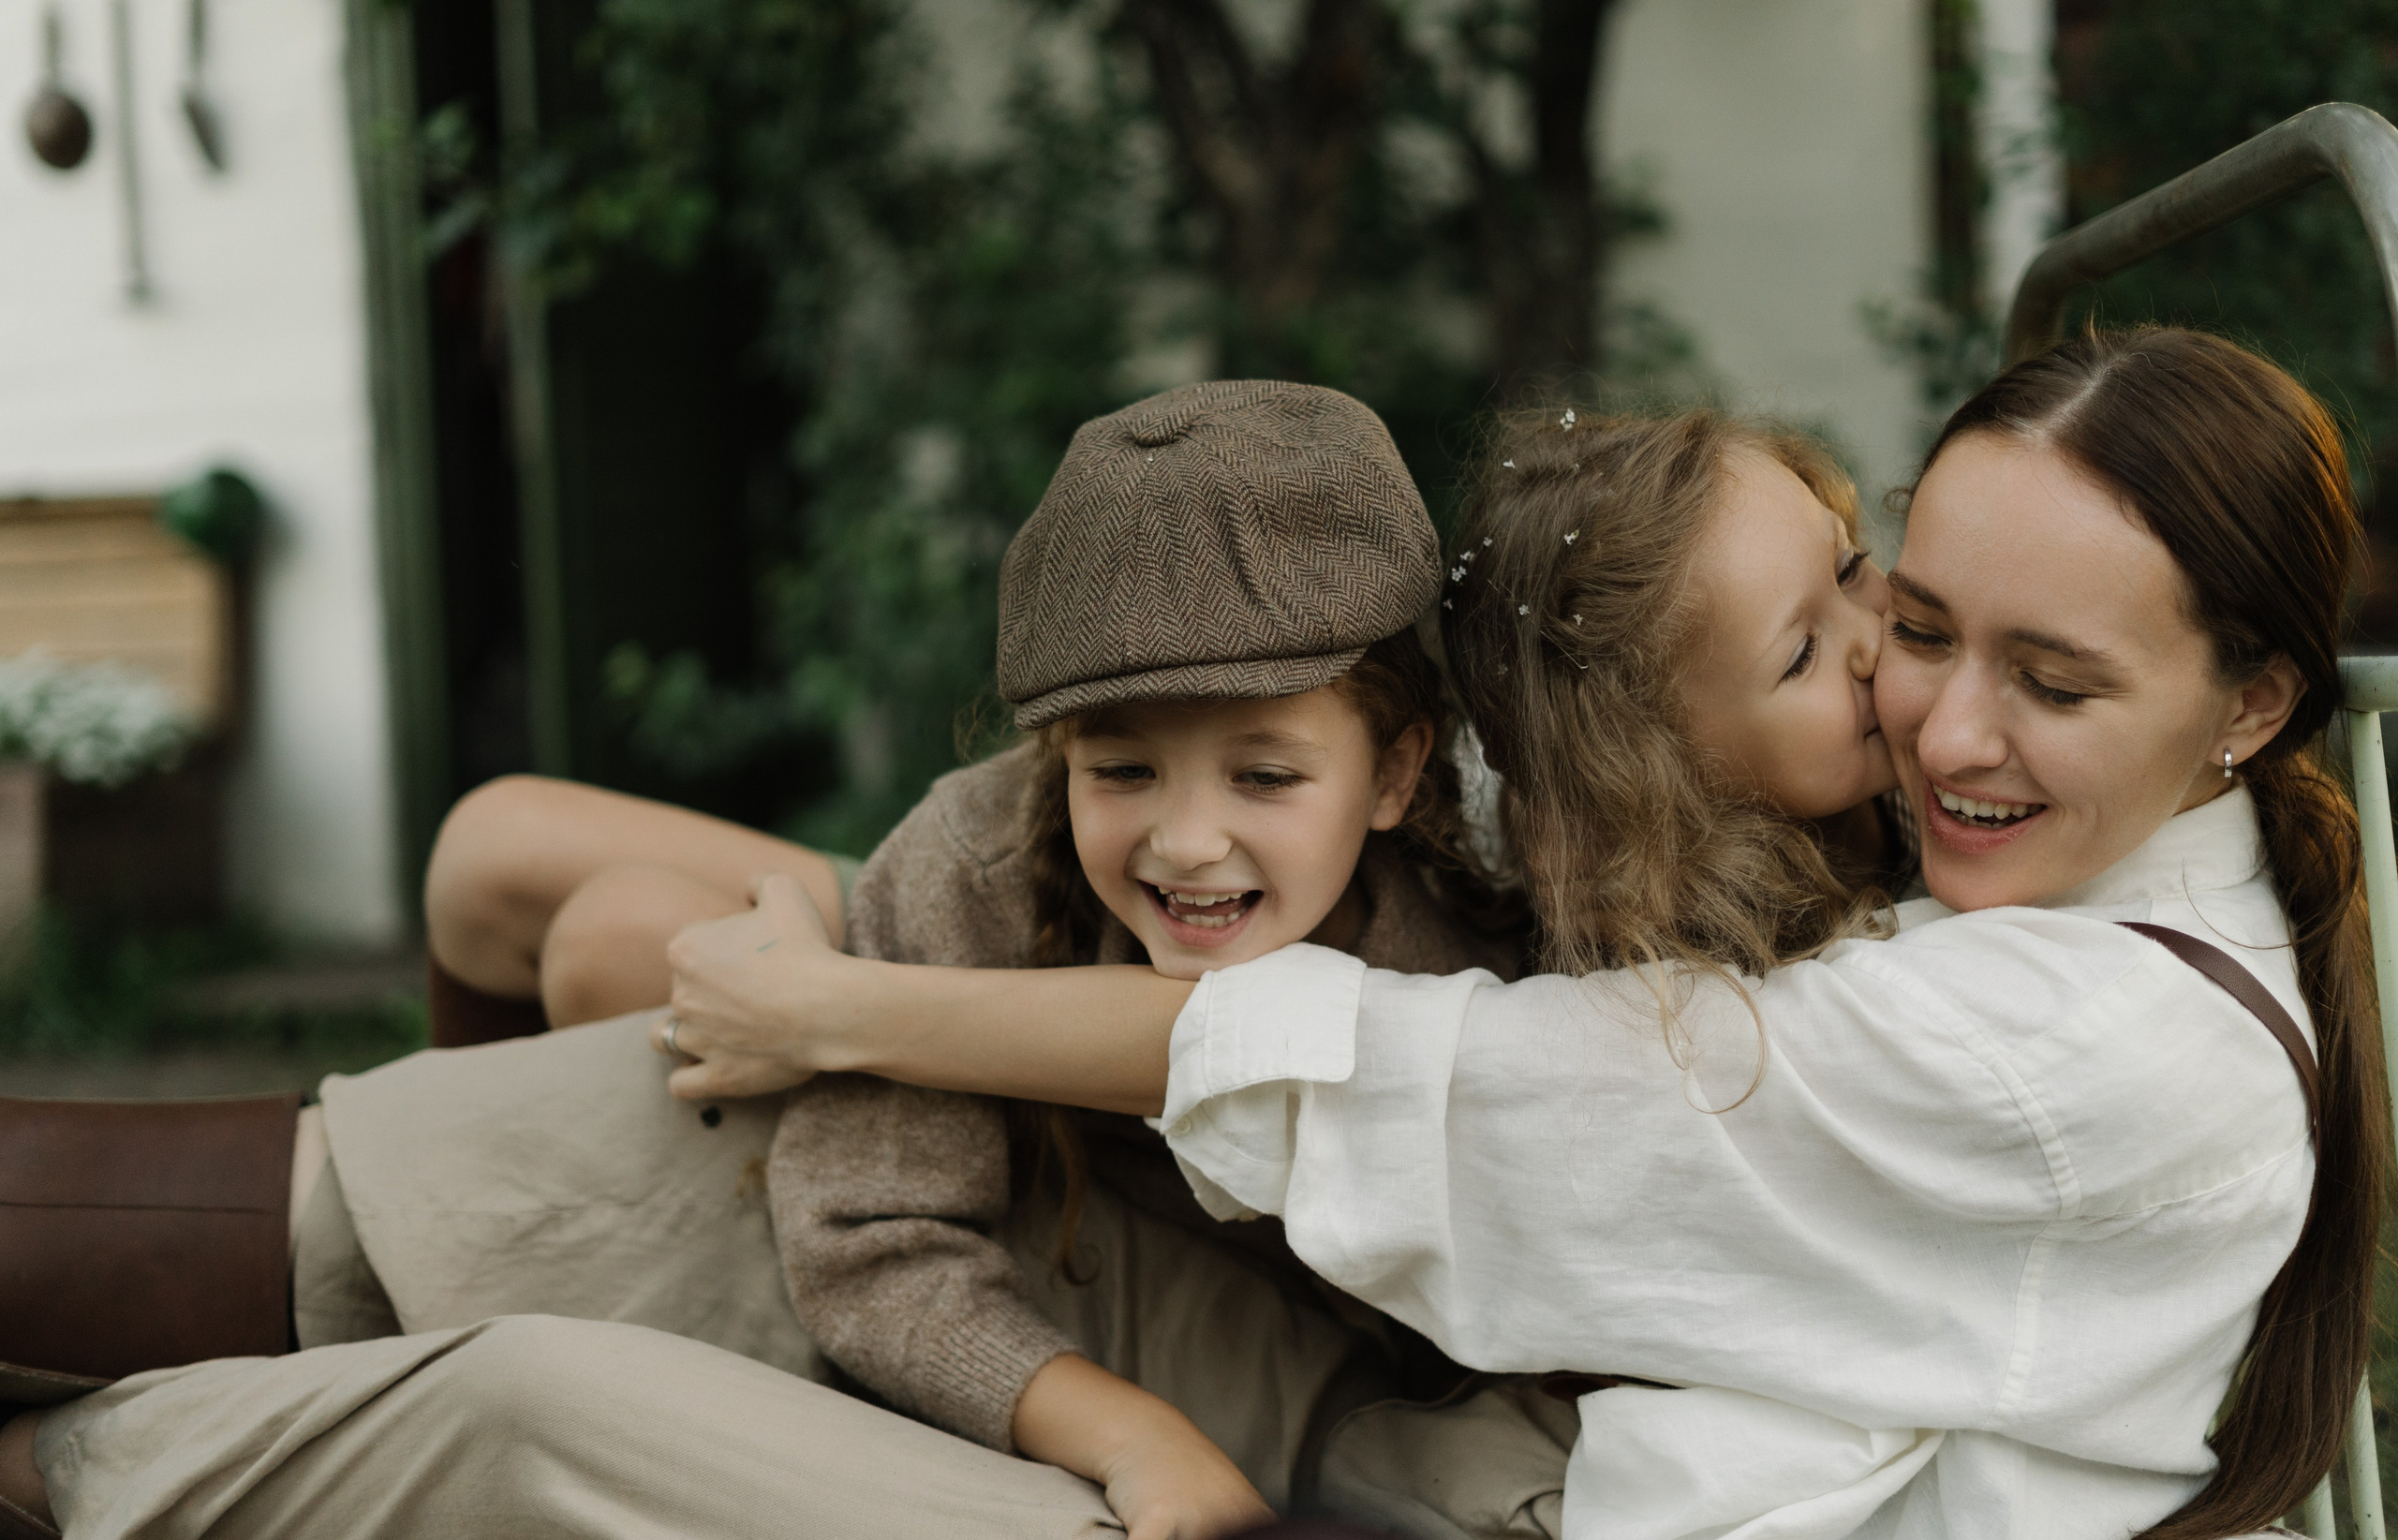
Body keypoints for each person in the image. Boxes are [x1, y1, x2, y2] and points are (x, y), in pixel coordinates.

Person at [2, 391, 1900, 1540]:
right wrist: (1114, 1420)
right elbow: (875, 1238)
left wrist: (840, 1006)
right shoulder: (980, 851)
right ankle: (315, 1287)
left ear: (1400, 767)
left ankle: (209, 1374)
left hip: (1230, 1314)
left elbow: (1349, 1058)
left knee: (597, 1017)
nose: (1183, 834)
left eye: (1261, 768)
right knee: (586, 962)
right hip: (1019, 1235)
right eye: (1117, 766)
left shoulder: (1485, 922)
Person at [652, 328, 2381, 1540]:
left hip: (1502, 1480)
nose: (1934, 724)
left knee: (601, 1292)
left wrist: (837, 1009)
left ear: (2254, 703)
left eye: (2055, 682)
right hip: (1422, 1418)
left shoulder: (2054, 1048)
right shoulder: (2024, 884)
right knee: (627, 1043)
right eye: (1915, 620)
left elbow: (1377, 1076)